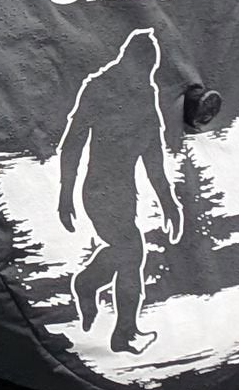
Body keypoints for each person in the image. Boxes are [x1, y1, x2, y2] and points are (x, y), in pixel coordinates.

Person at [56, 28, 183, 353]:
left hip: (125, 193)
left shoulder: (145, 95)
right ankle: (124, 333)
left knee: (127, 252)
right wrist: (65, 194)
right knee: (131, 253)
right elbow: (73, 142)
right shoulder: (99, 88)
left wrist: (169, 204)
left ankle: (87, 284)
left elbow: (153, 159)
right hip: (98, 189)